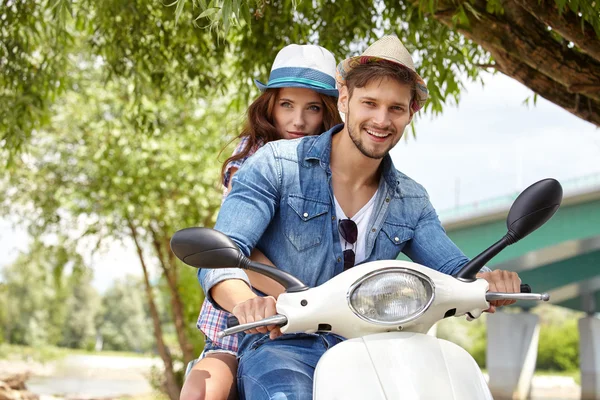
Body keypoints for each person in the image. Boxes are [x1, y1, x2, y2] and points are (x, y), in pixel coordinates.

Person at [199, 35, 522, 400]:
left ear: (411, 112)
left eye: (396, 109)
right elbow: (222, 256)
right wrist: (248, 301)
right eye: (370, 103)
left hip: (376, 350)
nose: (381, 120)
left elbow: (455, 270)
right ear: (345, 98)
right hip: (284, 345)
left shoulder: (411, 199)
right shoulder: (275, 165)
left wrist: (489, 282)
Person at [181, 44, 343, 400]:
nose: (297, 120)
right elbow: (238, 247)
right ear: (270, 105)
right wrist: (295, 296)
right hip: (249, 298)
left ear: (327, 113)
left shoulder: (334, 167)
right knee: (204, 389)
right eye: (287, 105)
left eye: (312, 108)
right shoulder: (252, 159)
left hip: (309, 315)